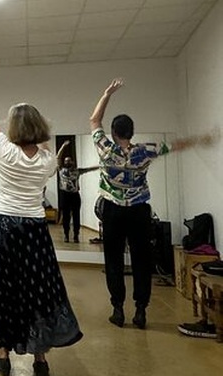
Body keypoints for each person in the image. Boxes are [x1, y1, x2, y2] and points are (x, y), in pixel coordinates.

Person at [0, 58, 83, 376]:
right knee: (37, 291)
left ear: (14, 129)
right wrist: (39, 126)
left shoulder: (4, 150)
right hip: (34, 230)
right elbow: (45, 143)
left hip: (1, 228)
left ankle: (3, 355)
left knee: (3, 290)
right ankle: (40, 359)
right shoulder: (49, 161)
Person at [90, 78, 216, 329]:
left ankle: (118, 308)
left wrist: (107, 94)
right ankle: (140, 310)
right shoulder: (145, 151)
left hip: (113, 210)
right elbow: (175, 146)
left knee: (113, 259)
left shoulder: (106, 149)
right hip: (138, 211)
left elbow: (94, 121)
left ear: (114, 133)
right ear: (132, 133)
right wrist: (200, 139)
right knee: (141, 259)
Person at [56, 140, 98, 243]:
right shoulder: (61, 170)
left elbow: (89, 169)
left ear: (72, 162)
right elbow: (58, 157)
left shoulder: (77, 171)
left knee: (76, 216)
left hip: (75, 195)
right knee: (65, 216)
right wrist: (63, 146)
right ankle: (66, 235)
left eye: (69, 160)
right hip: (65, 195)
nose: (67, 162)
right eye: (66, 160)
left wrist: (99, 167)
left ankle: (76, 235)